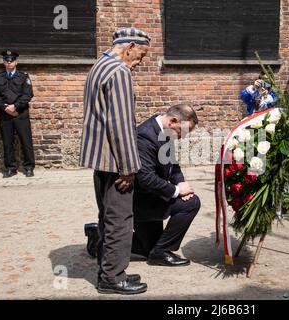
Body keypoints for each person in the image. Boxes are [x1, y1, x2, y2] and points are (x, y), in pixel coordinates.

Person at [79, 27, 150, 295]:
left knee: (107, 217)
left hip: (100, 159)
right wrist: (130, 168)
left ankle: (109, 269)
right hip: (115, 161)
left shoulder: (99, 65)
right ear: (130, 46)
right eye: (140, 55)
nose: (139, 62)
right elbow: (120, 125)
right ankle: (112, 278)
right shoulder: (119, 71)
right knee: (120, 220)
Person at [131, 104, 201, 267]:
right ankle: (161, 253)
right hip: (142, 202)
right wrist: (177, 191)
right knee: (192, 203)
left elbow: (172, 164)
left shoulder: (163, 130)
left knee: (148, 248)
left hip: (154, 196)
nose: (182, 137)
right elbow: (146, 178)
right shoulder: (145, 137)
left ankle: (99, 235)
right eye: (182, 131)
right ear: (173, 121)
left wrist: (181, 182)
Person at [0, 50, 35, 178]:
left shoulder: (24, 77)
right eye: (6, 61)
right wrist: (5, 107)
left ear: (16, 62)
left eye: (11, 61)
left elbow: (28, 94)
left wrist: (15, 106)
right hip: (5, 114)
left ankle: (28, 167)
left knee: (26, 141)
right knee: (7, 142)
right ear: (3, 62)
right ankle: (11, 168)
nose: (9, 63)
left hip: (21, 114)